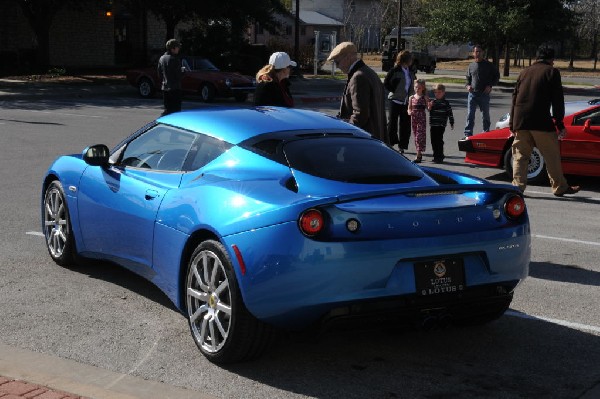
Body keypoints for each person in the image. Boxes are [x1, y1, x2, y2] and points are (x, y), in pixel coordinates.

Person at [510, 48, 580, 197]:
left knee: (520, 156)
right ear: (550, 59)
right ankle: (559, 187)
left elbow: (514, 97)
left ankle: (517, 188)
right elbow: (557, 100)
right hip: (541, 121)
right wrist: (559, 123)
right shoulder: (551, 72)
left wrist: (512, 123)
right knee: (551, 156)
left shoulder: (524, 72)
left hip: (521, 121)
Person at [327, 42, 387, 143]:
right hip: (374, 139)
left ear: (348, 57)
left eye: (337, 62)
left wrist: (344, 131)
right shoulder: (369, 72)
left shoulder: (358, 77)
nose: (337, 67)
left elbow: (360, 115)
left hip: (364, 142)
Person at [383, 50, 416, 153]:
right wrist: (394, 90)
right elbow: (386, 83)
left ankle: (402, 146)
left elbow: (414, 83)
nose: (412, 61)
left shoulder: (411, 71)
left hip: (407, 102)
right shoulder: (395, 70)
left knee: (405, 125)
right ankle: (391, 143)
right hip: (394, 100)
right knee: (392, 124)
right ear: (406, 60)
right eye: (410, 58)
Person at [463, 44, 499, 137]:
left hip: (484, 94)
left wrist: (490, 85)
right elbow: (467, 78)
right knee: (470, 115)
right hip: (472, 94)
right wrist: (467, 86)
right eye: (475, 51)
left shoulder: (488, 65)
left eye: (479, 51)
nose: (477, 53)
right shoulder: (471, 65)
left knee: (485, 115)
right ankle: (468, 134)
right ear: (473, 53)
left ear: (482, 52)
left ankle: (486, 132)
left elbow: (496, 76)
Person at [427, 83, 454, 163]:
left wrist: (451, 122)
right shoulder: (433, 102)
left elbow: (450, 113)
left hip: (441, 124)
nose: (437, 94)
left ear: (443, 92)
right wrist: (429, 107)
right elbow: (429, 110)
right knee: (433, 140)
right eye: (435, 92)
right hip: (433, 124)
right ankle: (435, 155)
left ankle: (440, 156)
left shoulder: (446, 103)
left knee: (439, 140)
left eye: (439, 92)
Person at [157, 39, 184, 116]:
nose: (178, 49)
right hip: (175, 89)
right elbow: (178, 76)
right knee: (176, 112)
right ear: (172, 49)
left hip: (165, 88)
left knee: (167, 110)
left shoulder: (161, 58)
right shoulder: (175, 59)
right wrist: (183, 71)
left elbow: (159, 74)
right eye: (177, 47)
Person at [407, 79, 429, 163]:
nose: (417, 89)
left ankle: (418, 154)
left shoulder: (425, 97)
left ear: (423, 88)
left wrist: (430, 106)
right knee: (415, 135)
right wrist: (409, 112)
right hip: (414, 118)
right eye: (416, 87)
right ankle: (419, 152)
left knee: (419, 136)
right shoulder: (411, 98)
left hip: (421, 118)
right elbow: (409, 108)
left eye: (419, 88)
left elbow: (428, 108)